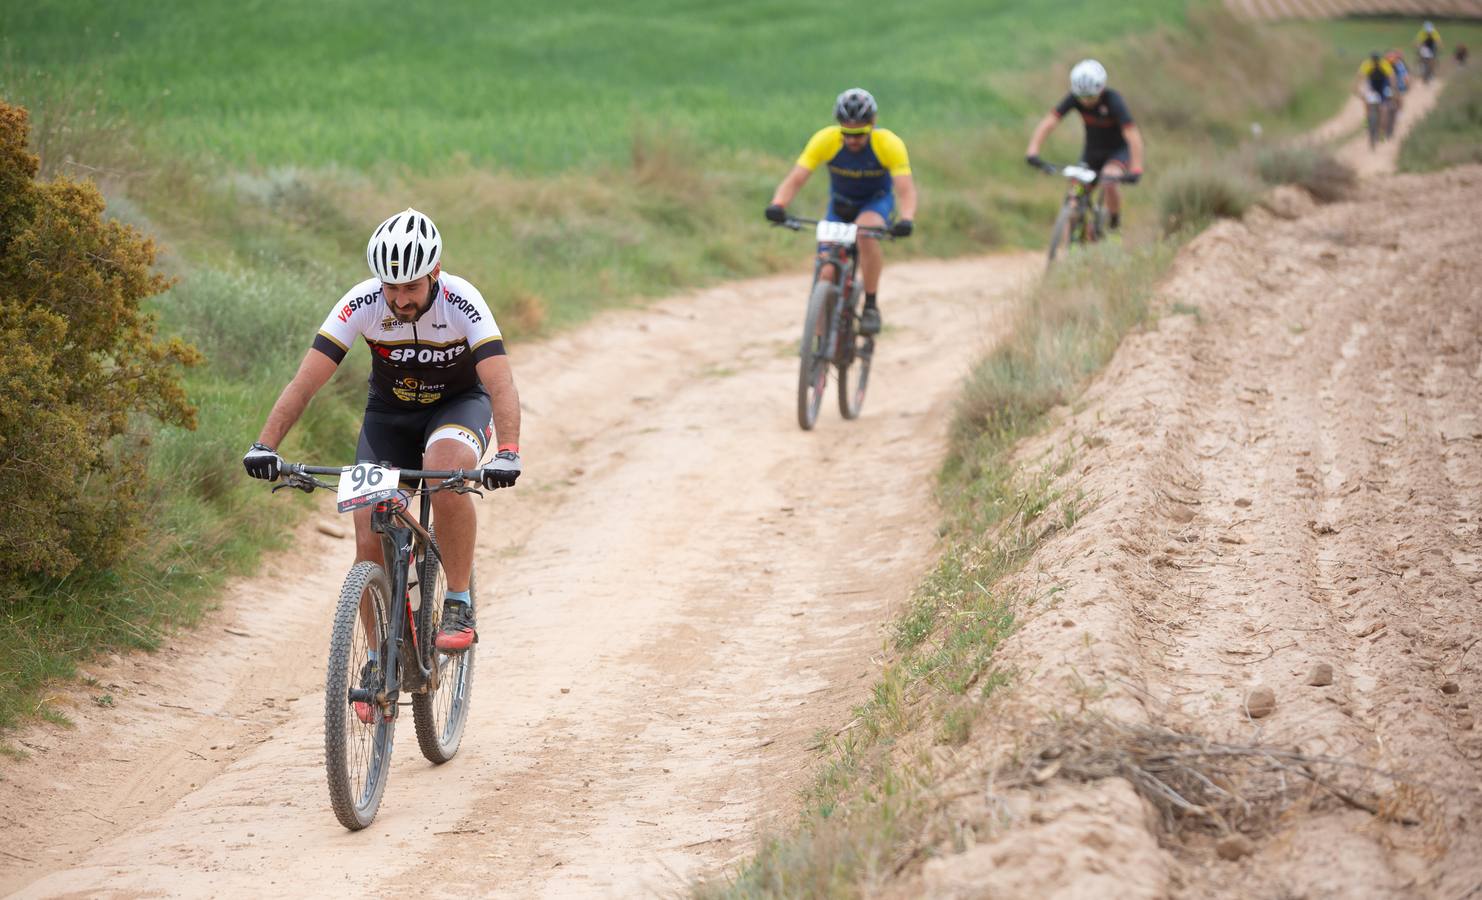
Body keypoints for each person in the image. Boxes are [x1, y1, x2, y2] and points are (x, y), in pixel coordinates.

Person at [243, 208, 522, 661]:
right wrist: (265, 445)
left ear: (434, 273)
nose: (400, 298)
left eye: (411, 286)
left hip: (458, 407)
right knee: (368, 528)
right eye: (391, 287)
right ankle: (377, 660)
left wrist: (508, 450)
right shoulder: (362, 302)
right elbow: (306, 382)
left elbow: (501, 382)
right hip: (389, 417)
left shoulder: (463, 301)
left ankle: (457, 600)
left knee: (442, 470)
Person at [765, 88, 917, 336]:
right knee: (826, 270)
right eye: (847, 133)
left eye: (859, 134)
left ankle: (869, 305)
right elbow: (796, 178)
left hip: (875, 203)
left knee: (865, 235)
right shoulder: (825, 140)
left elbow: (906, 190)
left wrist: (907, 218)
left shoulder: (888, 144)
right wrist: (778, 205)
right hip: (840, 205)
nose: (853, 140)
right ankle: (817, 350)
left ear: (873, 124)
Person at [1025, 59, 1145, 233]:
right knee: (1075, 194)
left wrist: (1136, 168)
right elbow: (1050, 122)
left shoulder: (1113, 100)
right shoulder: (1075, 98)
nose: (1086, 101)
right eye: (1081, 97)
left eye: (1090, 97)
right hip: (1091, 153)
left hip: (1117, 153)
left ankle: (1114, 225)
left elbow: (1132, 134)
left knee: (1109, 181)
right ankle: (1071, 241)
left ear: (1101, 89)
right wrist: (1033, 151)